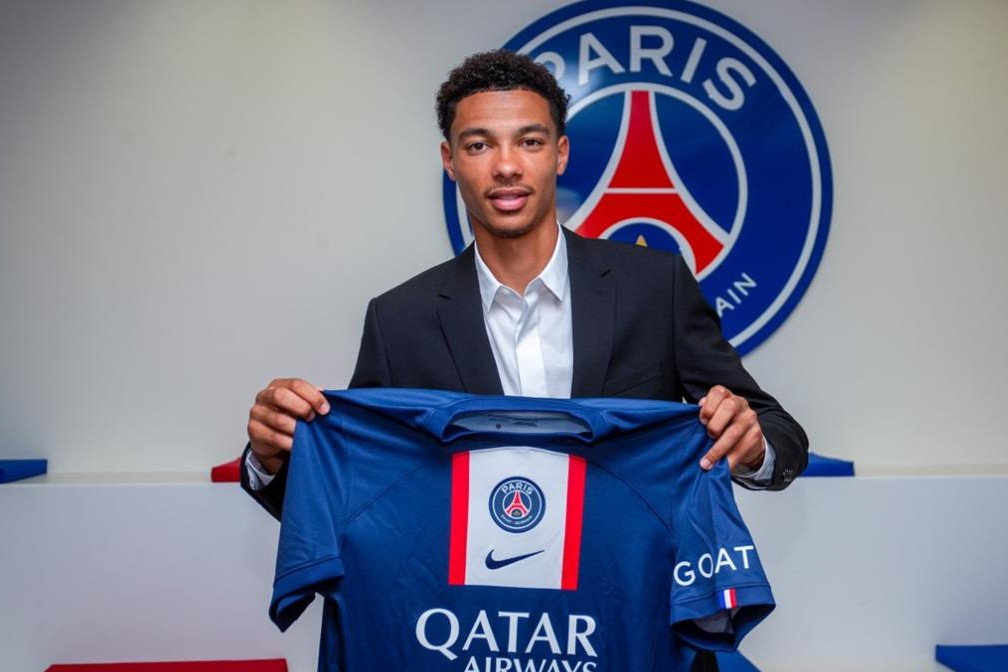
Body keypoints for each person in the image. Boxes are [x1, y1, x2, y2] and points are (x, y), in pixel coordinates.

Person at [241, 50, 807, 670]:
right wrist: (272, 459)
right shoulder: (399, 318)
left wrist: (750, 445)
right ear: (449, 161)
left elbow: (780, 435)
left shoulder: (656, 286)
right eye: (479, 145)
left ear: (560, 153)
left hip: (626, 629)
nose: (506, 166)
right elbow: (356, 496)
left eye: (529, 142)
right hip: (470, 638)